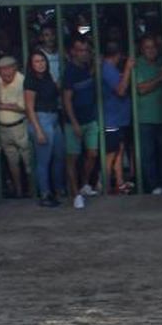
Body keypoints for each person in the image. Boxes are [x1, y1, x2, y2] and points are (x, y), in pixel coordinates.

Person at [60, 37, 100, 209]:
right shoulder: (69, 71)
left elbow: (88, 77)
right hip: (74, 122)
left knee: (92, 154)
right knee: (72, 159)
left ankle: (84, 185)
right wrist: (74, 123)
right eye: (80, 50)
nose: (84, 53)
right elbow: (66, 100)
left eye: (86, 50)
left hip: (90, 120)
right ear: (73, 52)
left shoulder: (85, 68)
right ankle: (76, 194)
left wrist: (95, 66)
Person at [22, 50, 62, 208]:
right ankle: (45, 194)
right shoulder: (30, 81)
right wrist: (38, 130)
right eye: (37, 61)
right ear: (31, 65)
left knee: (59, 155)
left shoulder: (48, 77)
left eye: (42, 61)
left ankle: (57, 190)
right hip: (41, 119)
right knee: (43, 161)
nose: (40, 64)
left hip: (53, 118)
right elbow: (29, 107)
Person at [132, 35, 162, 196]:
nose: (151, 50)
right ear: (142, 49)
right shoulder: (137, 64)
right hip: (145, 118)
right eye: (147, 47)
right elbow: (141, 89)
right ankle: (153, 186)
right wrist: (161, 77)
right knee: (147, 155)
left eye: (153, 46)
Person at [0, 55, 31, 201]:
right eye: (1, 71)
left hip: (19, 126)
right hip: (3, 128)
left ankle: (32, 189)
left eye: (8, 70)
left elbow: (23, 107)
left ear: (15, 68)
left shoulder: (22, 81)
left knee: (28, 160)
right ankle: (19, 190)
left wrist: (1, 105)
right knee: (11, 161)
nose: (5, 74)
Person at [100, 42, 134, 195]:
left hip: (118, 119)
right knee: (110, 155)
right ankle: (104, 186)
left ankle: (119, 183)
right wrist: (127, 69)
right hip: (111, 119)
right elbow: (121, 90)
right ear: (118, 55)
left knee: (118, 151)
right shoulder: (107, 69)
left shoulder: (110, 68)